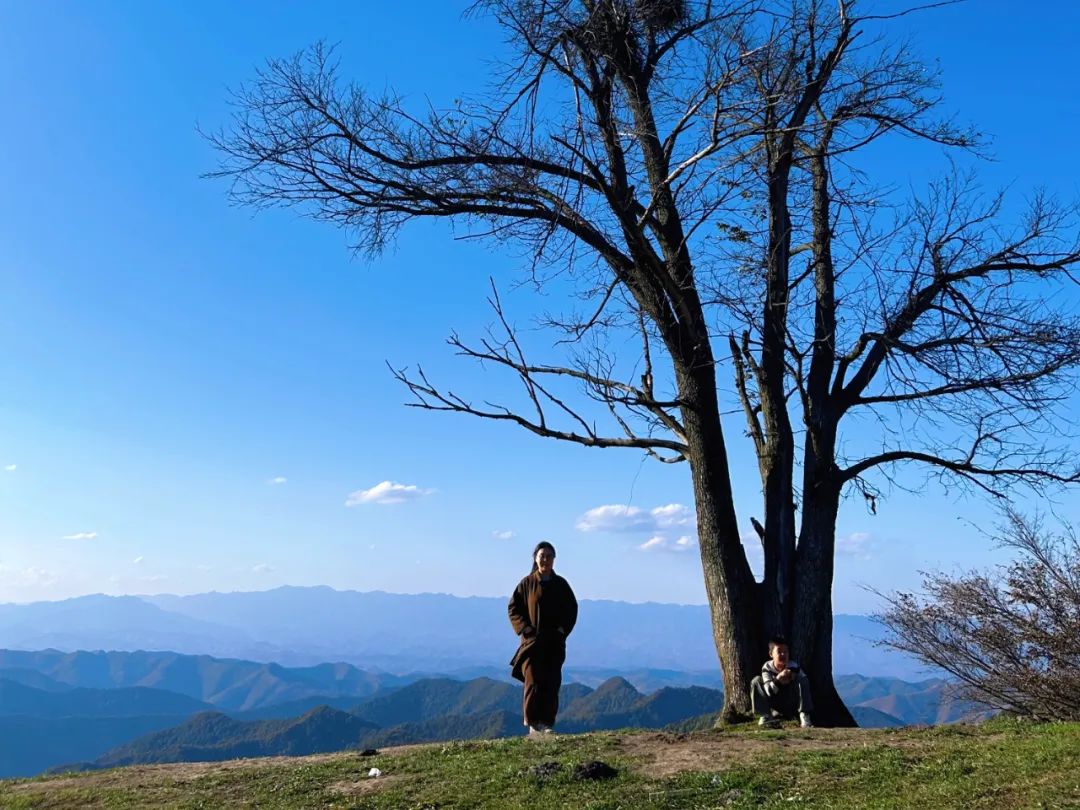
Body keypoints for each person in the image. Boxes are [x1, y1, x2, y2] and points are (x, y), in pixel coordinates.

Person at [508, 541, 578, 735]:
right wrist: (524, 628)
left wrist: (562, 630)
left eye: (549, 556)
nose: (545, 560)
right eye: (542, 556)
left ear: (554, 559)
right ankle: (532, 723)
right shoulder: (527, 583)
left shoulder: (561, 585)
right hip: (532, 643)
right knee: (532, 681)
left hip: (554, 643)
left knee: (552, 681)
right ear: (535, 559)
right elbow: (513, 608)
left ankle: (547, 723)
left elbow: (571, 609)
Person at [750, 636, 814, 728]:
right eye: (779, 652)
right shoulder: (767, 667)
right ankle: (766, 715)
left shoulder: (793, 666)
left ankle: (804, 715)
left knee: (803, 679)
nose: (783, 654)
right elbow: (768, 691)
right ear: (771, 654)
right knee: (756, 681)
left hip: (791, 702)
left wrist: (792, 677)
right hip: (774, 701)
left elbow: (805, 685)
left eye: (786, 651)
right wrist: (778, 679)